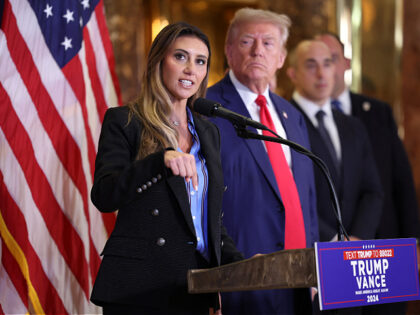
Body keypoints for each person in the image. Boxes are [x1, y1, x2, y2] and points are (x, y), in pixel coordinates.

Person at [89, 22, 244, 314]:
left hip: (195, 284)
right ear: (159, 61)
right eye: (180, 57)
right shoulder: (125, 121)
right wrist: (159, 161)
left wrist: (241, 267)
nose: (191, 69)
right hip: (140, 287)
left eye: (200, 61)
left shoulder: (209, 132)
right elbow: (105, 195)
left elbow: (209, 218)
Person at [206, 8, 319, 315]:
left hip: (297, 278)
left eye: (268, 43)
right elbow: (197, 203)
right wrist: (212, 277)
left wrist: (315, 268)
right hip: (240, 276)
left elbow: (306, 199)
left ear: (281, 57)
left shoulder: (292, 115)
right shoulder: (206, 111)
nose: (258, 50)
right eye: (247, 41)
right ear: (229, 51)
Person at [316, 31, 420, 315]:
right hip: (328, 259)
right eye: (316, 61)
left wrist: (414, 241)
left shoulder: (377, 112)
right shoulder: (296, 117)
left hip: (384, 252)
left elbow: (401, 182)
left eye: (332, 59)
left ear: (346, 64)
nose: (325, 69)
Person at [287, 39, 384, 315]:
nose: (321, 74)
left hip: (353, 261)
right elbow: (287, 193)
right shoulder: (283, 122)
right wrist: (333, 239)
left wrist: (356, 238)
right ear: (292, 73)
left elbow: (372, 190)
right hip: (309, 259)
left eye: (327, 63)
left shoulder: (352, 125)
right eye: (311, 65)